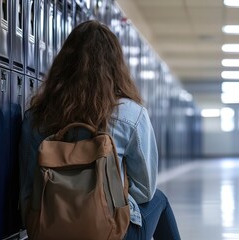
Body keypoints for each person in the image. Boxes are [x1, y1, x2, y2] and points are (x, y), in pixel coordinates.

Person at [19, 20, 181, 240]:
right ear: (116, 67)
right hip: (109, 233)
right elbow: (145, 191)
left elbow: (28, 188)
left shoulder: (37, 116)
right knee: (159, 199)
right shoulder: (131, 114)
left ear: (63, 64)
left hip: (49, 230)